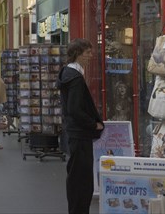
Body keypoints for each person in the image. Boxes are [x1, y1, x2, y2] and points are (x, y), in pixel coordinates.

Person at [57, 39, 104, 214]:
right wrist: (93, 124)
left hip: (74, 132)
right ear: (77, 54)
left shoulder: (68, 74)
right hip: (80, 133)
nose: (91, 56)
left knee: (76, 175)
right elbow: (75, 108)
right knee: (82, 178)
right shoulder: (75, 78)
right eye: (87, 53)